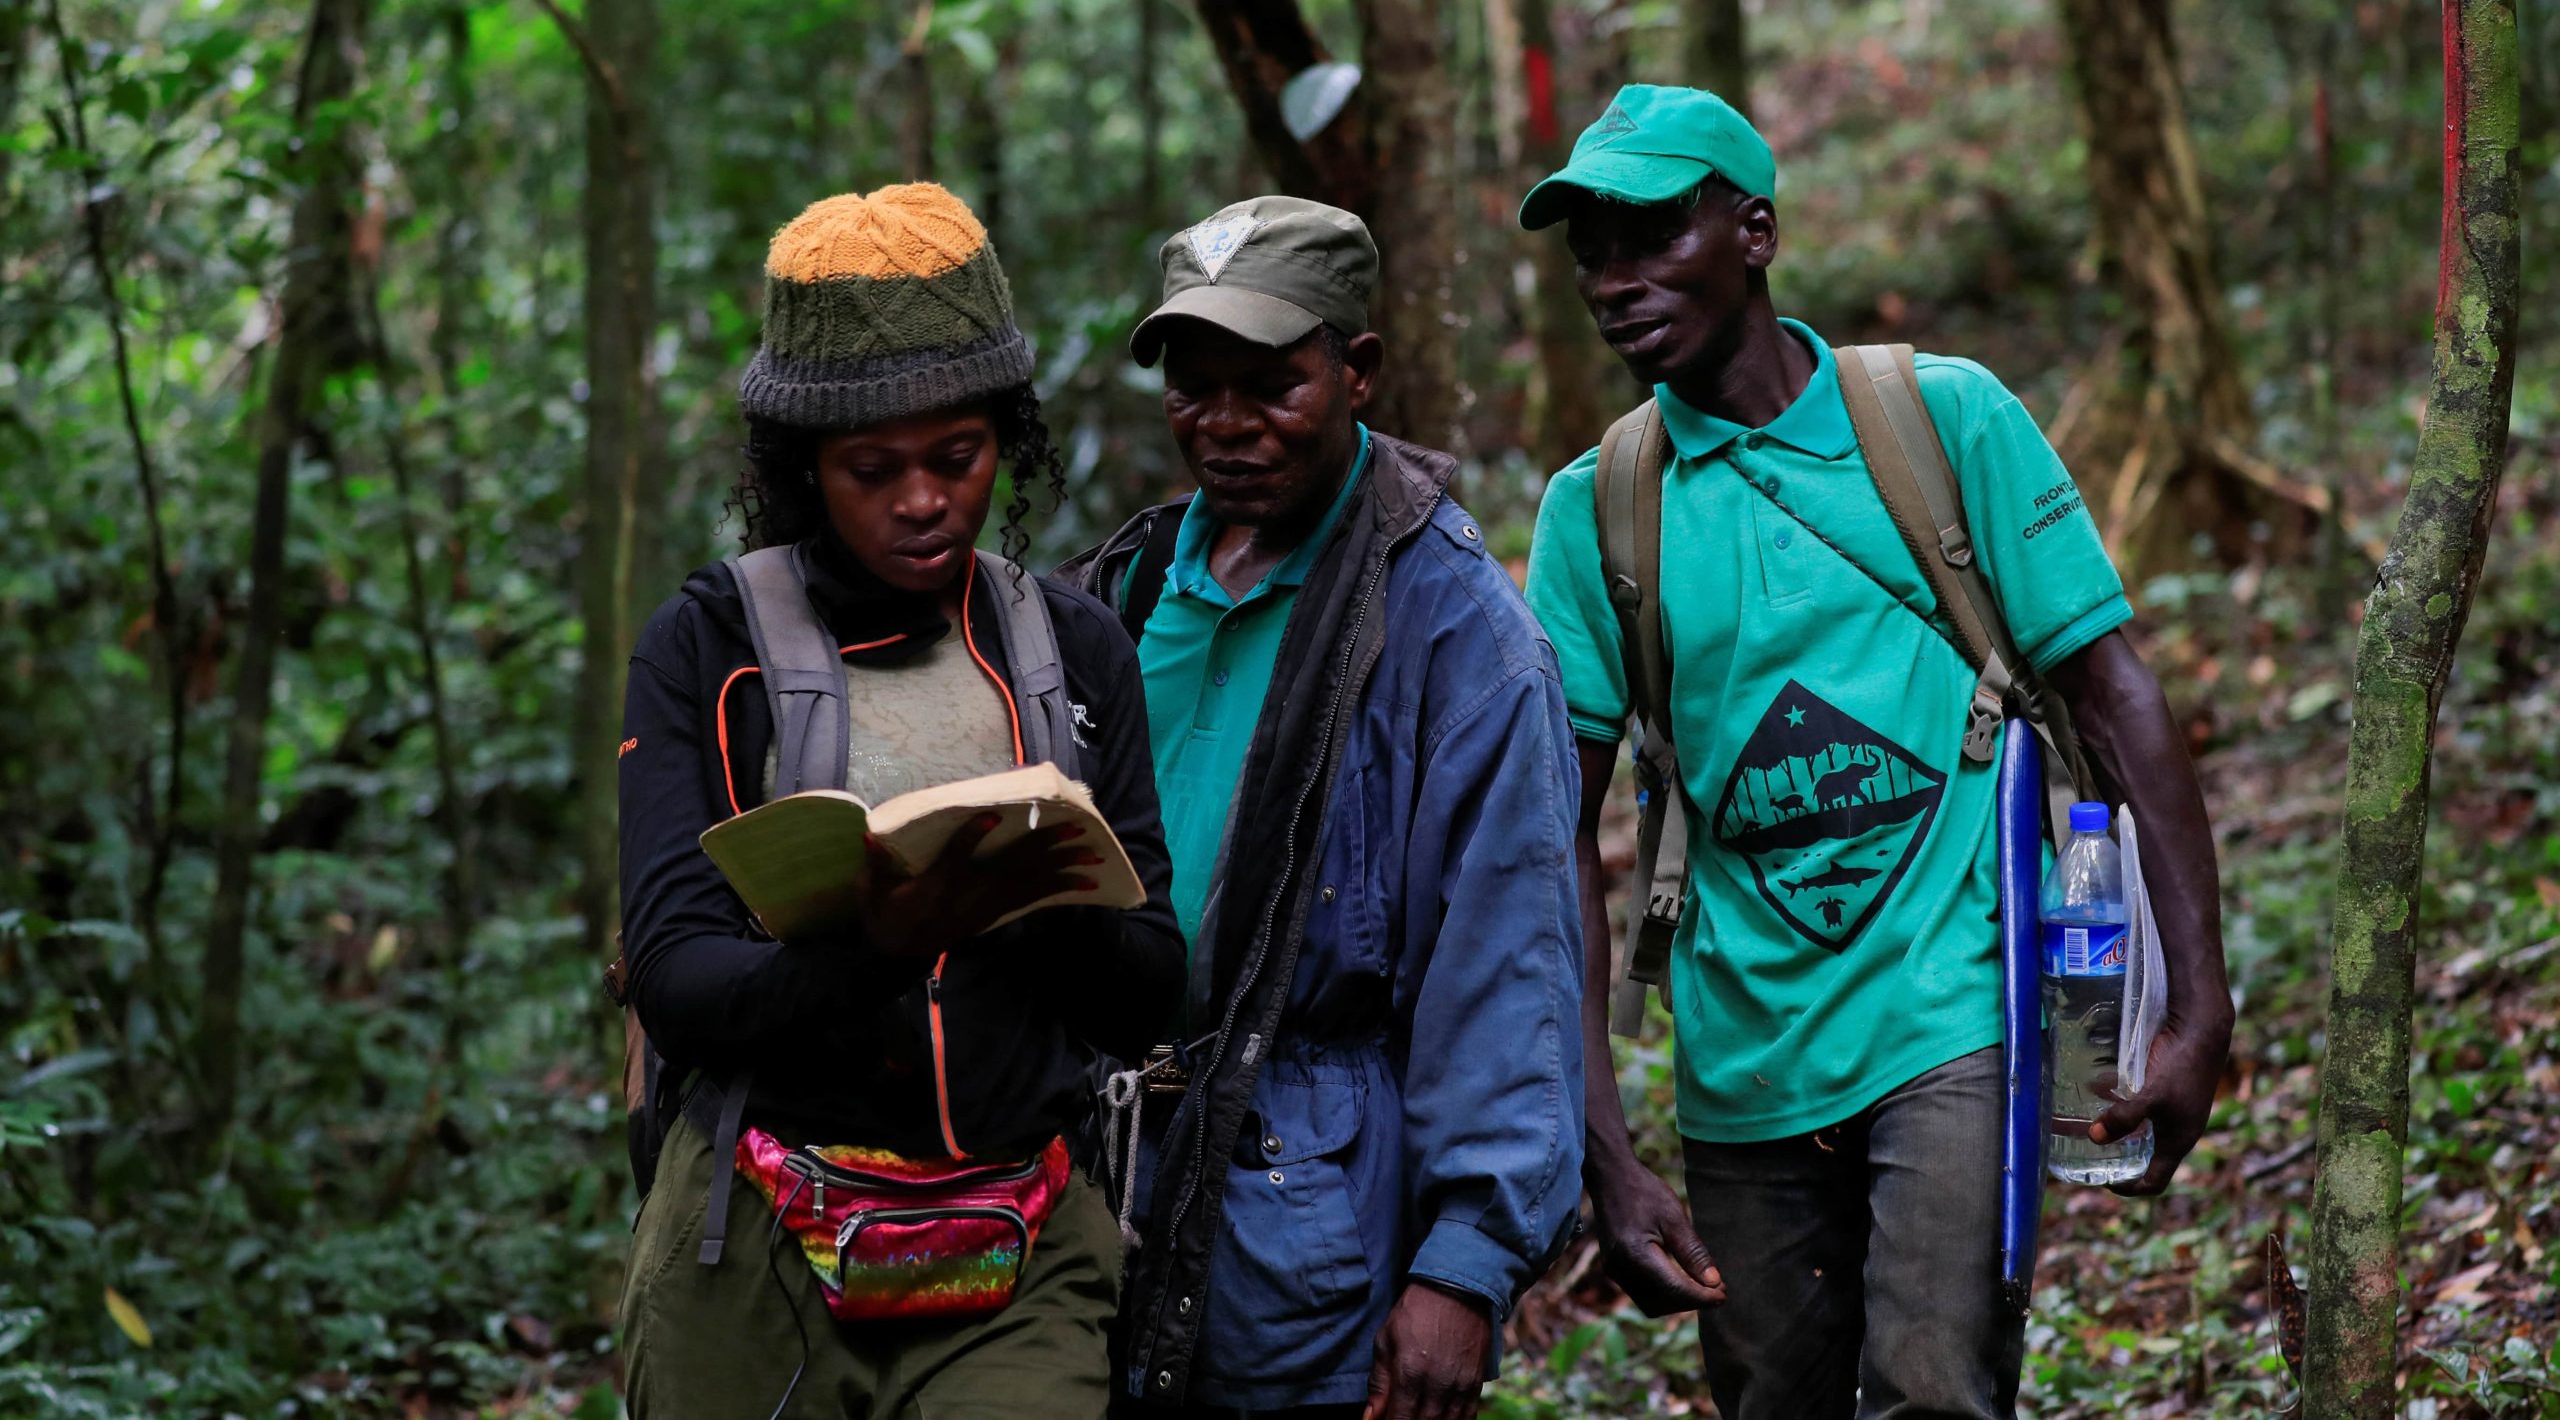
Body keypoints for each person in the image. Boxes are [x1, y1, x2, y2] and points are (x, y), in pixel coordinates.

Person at [1517, 86, 2234, 1420]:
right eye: (1591, 255)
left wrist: (2201, 1005)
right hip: (1743, 1064)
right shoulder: (1595, 509)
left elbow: (2116, 696)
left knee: (1931, 1386)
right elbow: (1551, 832)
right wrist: (1602, 1146)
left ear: (1755, 231)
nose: (1615, 282)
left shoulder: (1939, 421)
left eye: (1652, 237)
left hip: (1952, 1011)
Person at [615, 184, 1184, 1419]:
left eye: (958, 458)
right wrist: (877, 946)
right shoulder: (710, 648)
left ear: (1007, 441)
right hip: (755, 1243)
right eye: (872, 470)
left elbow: (1151, 981)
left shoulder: (1073, 650)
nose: (921, 500)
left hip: (1015, 1245)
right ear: (806, 468)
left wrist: (1033, 901)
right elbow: (675, 976)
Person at [1061, 197, 1586, 1419]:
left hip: (1308, 1211)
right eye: (1194, 388)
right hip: (1098, 1186)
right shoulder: (1118, 589)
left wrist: (1464, 1265)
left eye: (1270, 385)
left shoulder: (1456, 632)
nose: (1227, 425)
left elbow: (1509, 956)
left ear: (1357, 374)